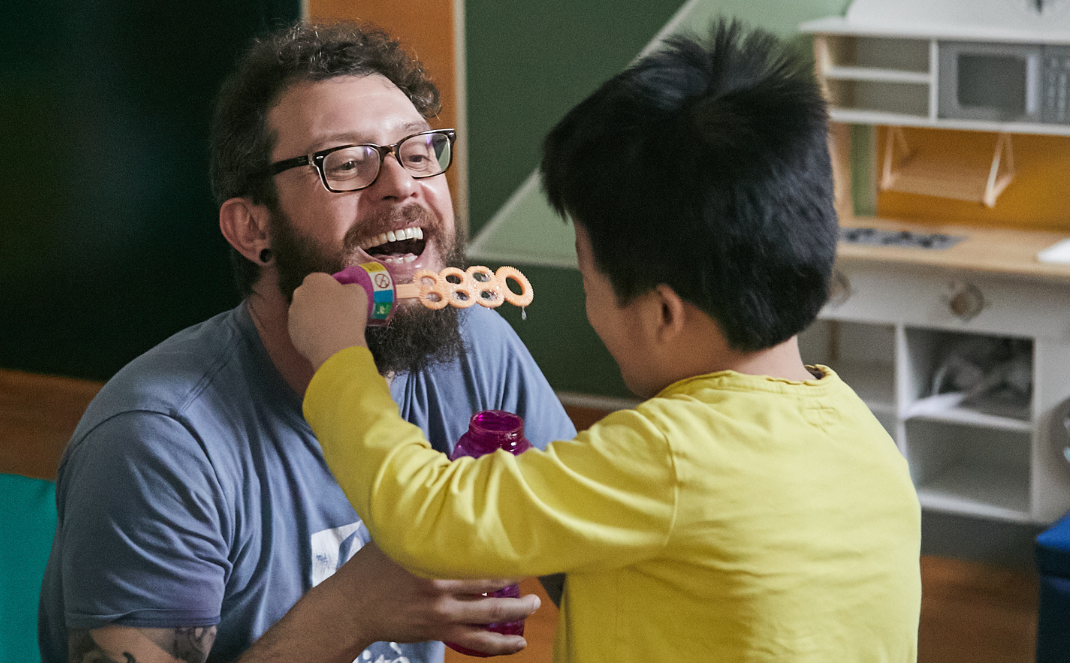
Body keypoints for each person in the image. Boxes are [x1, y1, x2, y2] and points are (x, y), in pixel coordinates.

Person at [286, 21, 923, 663]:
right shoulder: (870, 444)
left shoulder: (666, 458)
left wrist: (339, 357)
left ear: (663, 312)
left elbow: (431, 518)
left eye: (588, 276)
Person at [38, 21, 576, 663]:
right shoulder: (160, 441)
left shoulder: (476, 348)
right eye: (346, 163)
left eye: (418, 152)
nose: (402, 185)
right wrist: (353, 612)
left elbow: (597, 570)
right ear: (252, 228)